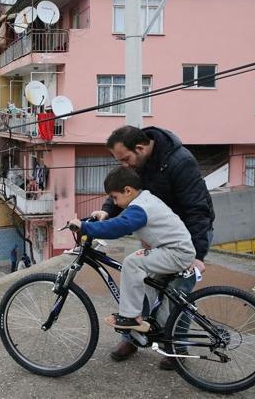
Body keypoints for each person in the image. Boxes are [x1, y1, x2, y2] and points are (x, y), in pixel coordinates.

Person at [95, 126, 214, 369]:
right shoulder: (136, 164)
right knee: (142, 283)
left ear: (139, 149)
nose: (124, 165)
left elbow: (197, 210)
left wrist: (197, 254)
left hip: (185, 237)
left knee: (177, 295)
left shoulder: (180, 162)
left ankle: (176, 350)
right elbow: (123, 186)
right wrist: (107, 210)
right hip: (157, 235)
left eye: (125, 159)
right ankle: (133, 338)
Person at [69, 166, 195, 332]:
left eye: (114, 197)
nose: (114, 203)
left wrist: (84, 227)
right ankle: (161, 329)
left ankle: (130, 317)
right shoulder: (143, 200)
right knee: (148, 286)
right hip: (172, 249)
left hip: (176, 253)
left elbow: (120, 227)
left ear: (127, 190)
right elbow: (122, 223)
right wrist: (96, 220)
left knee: (133, 263)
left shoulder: (140, 208)